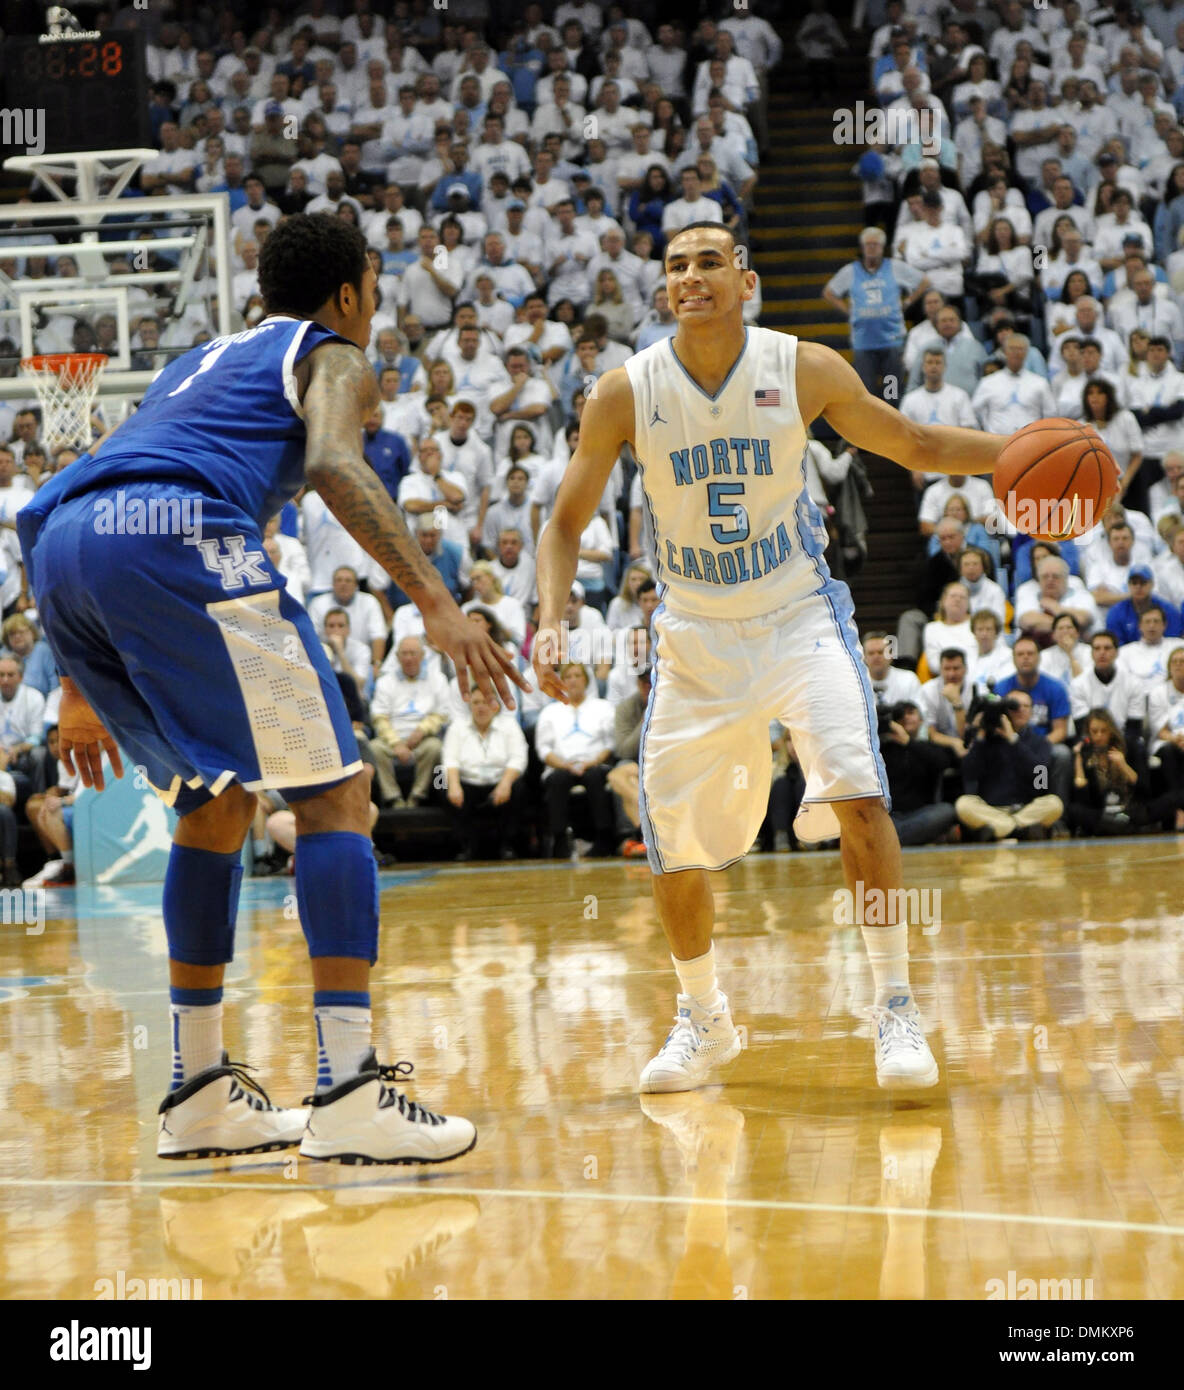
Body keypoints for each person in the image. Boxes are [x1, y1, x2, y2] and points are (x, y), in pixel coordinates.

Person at [17, 214, 527, 1167]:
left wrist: (78, 684)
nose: (373, 305)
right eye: (373, 285)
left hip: (67, 547)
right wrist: (436, 603)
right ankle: (351, 1091)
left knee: (213, 808)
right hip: (183, 539)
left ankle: (200, 1094)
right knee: (335, 793)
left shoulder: (200, 360)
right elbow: (335, 464)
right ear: (348, 295)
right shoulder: (333, 354)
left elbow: (80, 494)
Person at [533, 220, 1015, 1096]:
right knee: (671, 845)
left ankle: (894, 1006)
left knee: (863, 796)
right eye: (676, 266)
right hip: (696, 637)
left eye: (709, 262)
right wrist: (552, 620)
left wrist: (1014, 455)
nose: (691, 278)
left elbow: (913, 444)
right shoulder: (623, 393)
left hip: (798, 618)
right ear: (664, 287)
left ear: (745, 281)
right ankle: (704, 1019)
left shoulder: (801, 369)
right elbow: (564, 524)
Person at [954, 689, 1065, 841]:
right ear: (1004, 710)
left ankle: (1001, 830)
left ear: (1032, 712)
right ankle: (1019, 831)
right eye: (1015, 706)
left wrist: (1013, 740)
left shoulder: (1040, 742)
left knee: (1055, 804)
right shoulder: (986, 740)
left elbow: (1042, 780)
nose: (1021, 710)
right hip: (991, 809)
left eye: (1026, 706)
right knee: (963, 804)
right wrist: (980, 736)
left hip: (1025, 809)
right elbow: (969, 773)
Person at [442, 686, 528, 860]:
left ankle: (508, 845)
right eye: (476, 703)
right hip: (468, 783)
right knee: (441, 783)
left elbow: (518, 758)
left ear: (495, 705)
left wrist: (505, 784)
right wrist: (454, 786)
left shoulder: (509, 726)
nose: (481, 707)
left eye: (485, 702)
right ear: (470, 706)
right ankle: (465, 846)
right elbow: (449, 759)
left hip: (500, 782)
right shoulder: (457, 728)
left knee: (519, 787)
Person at [878, 701, 956, 846]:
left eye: (911, 713)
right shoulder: (882, 750)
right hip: (890, 816)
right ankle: (904, 838)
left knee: (947, 811)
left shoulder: (927, 747)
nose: (906, 717)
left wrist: (908, 742)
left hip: (920, 814)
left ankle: (891, 840)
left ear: (921, 720)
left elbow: (941, 763)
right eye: (901, 715)